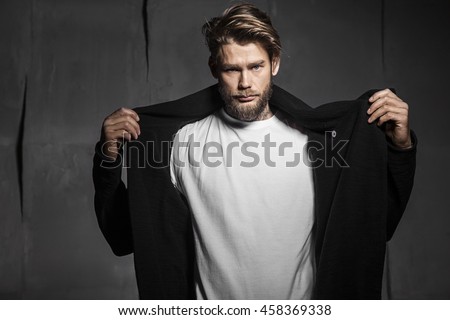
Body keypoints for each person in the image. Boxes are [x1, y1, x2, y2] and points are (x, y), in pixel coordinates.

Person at [93, 3, 416, 299]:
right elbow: (126, 234)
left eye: (256, 66)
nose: (245, 82)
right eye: (232, 69)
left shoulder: (320, 143)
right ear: (214, 68)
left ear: (274, 63)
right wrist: (109, 157)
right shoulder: (178, 142)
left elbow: (373, 226)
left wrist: (400, 148)